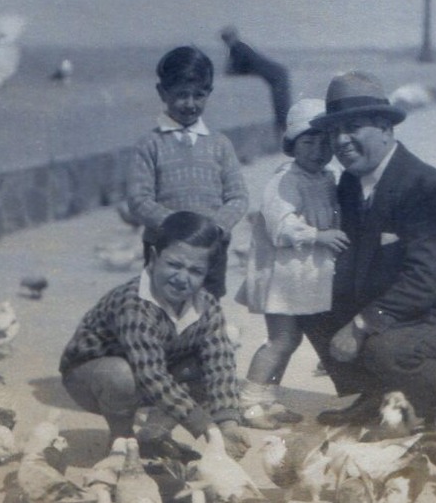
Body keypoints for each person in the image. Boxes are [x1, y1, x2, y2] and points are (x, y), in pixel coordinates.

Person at [300, 71, 436, 443]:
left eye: (353, 127)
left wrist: (358, 325)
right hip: (397, 313)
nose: (341, 140)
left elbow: (427, 279)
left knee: (386, 348)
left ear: (386, 128)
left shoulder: (423, 185)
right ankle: (375, 395)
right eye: (334, 131)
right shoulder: (352, 184)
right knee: (308, 300)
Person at [59, 211, 250, 461]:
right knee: (120, 375)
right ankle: (122, 442)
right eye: (174, 264)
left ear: (206, 274)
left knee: (207, 364)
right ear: (153, 257)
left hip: (153, 370)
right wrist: (206, 427)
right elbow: (151, 375)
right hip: (91, 377)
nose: (182, 278)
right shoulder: (134, 303)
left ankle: (152, 437)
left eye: (195, 271)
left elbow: (220, 362)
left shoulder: (207, 305)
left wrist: (227, 424)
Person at [232, 98, 351, 430]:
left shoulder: (326, 177)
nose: (317, 150)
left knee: (291, 341)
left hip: (301, 276)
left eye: (324, 142)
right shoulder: (285, 179)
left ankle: (268, 398)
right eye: (308, 142)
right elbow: (280, 226)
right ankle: (249, 401)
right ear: (292, 145)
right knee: (280, 340)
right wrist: (319, 235)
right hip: (282, 277)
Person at [125, 45, 249, 299]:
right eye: (181, 94)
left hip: (211, 249)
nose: (190, 104)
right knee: (160, 310)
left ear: (209, 93)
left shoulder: (220, 144)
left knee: (206, 311)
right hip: (164, 249)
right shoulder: (150, 144)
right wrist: (178, 229)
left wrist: (215, 228)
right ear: (162, 92)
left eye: (199, 95)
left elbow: (238, 197)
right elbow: (139, 200)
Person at [219, 25, 293, 138]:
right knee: (282, 108)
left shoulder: (238, 49)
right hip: (278, 74)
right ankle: (284, 137)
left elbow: (233, 70)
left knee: (281, 108)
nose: (226, 41)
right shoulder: (240, 47)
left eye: (227, 38)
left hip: (277, 76)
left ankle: (284, 138)